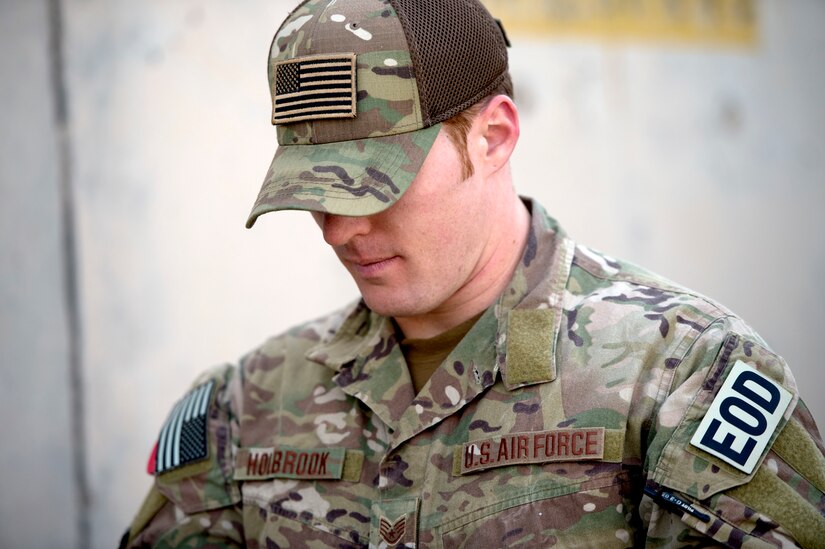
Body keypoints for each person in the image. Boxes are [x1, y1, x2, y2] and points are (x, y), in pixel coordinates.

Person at [122, 0, 825, 547]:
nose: (340, 230)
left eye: (373, 184)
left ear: (492, 137)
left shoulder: (681, 376)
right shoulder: (242, 406)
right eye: (313, 193)